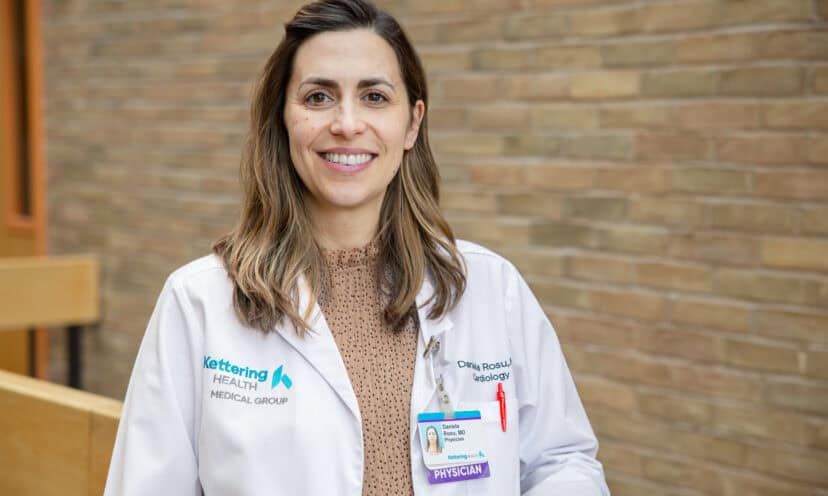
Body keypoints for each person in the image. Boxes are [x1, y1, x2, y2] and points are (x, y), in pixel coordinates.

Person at [103, 0, 610, 495]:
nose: (346, 123)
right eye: (318, 97)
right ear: (283, 119)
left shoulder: (490, 288)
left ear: (411, 123)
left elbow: (560, 460)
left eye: (374, 97)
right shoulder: (199, 303)